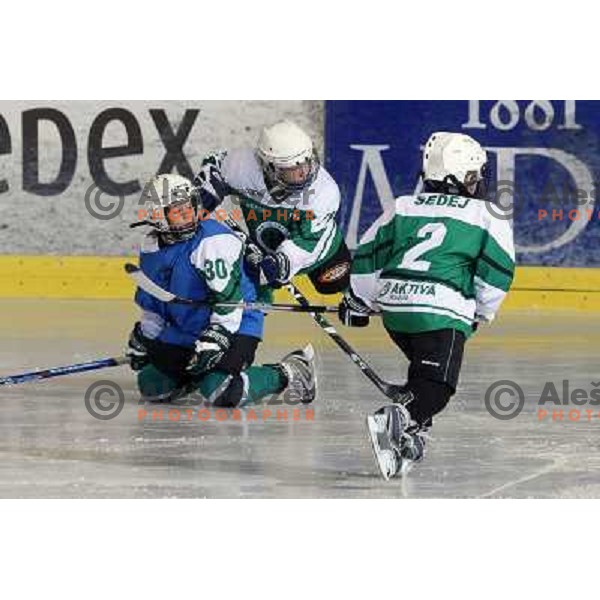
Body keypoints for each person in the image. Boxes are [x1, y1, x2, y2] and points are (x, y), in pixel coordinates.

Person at [338, 132, 515, 479]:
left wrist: (359, 300)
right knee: (437, 387)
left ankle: (410, 435)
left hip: (397, 315)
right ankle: (401, 419)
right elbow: (497, 271)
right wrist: (481, 310)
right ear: (458, 178)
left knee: (423, 375)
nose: (477, 182)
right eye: (472, 175)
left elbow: (370, 254)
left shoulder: (403, 205)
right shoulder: (486, 213)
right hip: (441, 313)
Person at [126, 173, 316, 408]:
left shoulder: (213, 242)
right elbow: (154, 303)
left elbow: (229, 303)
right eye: (177, 211)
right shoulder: (150, 248)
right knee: (152, 386)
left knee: (221, 390)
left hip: (237, 322)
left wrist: (215, 340)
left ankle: (289, 372)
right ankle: (196, 373)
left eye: (189, 206)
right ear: (158, 217)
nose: (187, 214)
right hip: (187, 327)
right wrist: (146, 337)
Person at [193, 120, 351, 296]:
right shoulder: (243, 167)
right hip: (263, 244)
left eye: (306, 164)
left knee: (335, 286)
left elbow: (307, 241)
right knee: (252, 289)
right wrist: (208, 186)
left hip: (319, 248)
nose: (303, 174)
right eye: (292, 170)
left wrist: (282, 264)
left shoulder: (324, 191)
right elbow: (214, 162)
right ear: (269, 167)